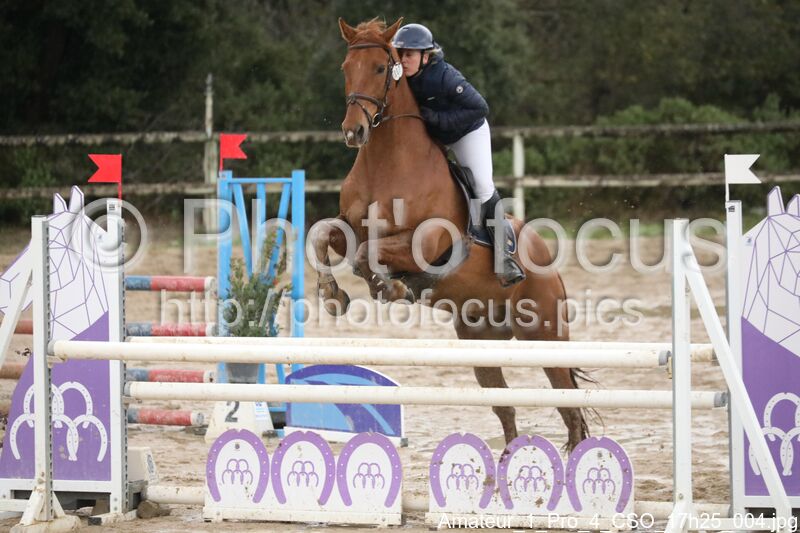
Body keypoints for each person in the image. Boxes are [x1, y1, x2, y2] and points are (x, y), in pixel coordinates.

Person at [392, 23, 525, 287]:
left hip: (466, 133)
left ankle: (504, 258)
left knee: (482, 186)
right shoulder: (398, 76)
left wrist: (437, 119)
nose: (404, 60)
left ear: (425, 57)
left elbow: (480, 107)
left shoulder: (444, 76)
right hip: (434, 136)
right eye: (401, 54)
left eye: (410, 54)